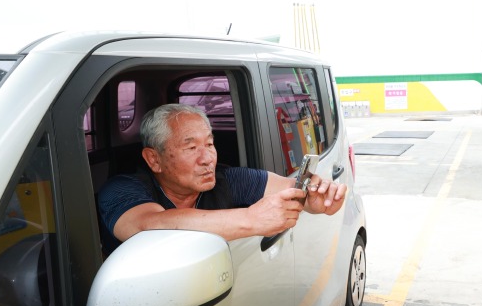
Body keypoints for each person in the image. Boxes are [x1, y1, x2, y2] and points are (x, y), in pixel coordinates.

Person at [97, 103, 346, 254]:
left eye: (209, 144)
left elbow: (289, 187)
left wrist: (314, 198)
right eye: (191, 148)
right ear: (154, 159)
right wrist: (251, 219)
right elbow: (146, 224)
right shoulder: (121, 189)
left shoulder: (227, 179)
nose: (207, 159)